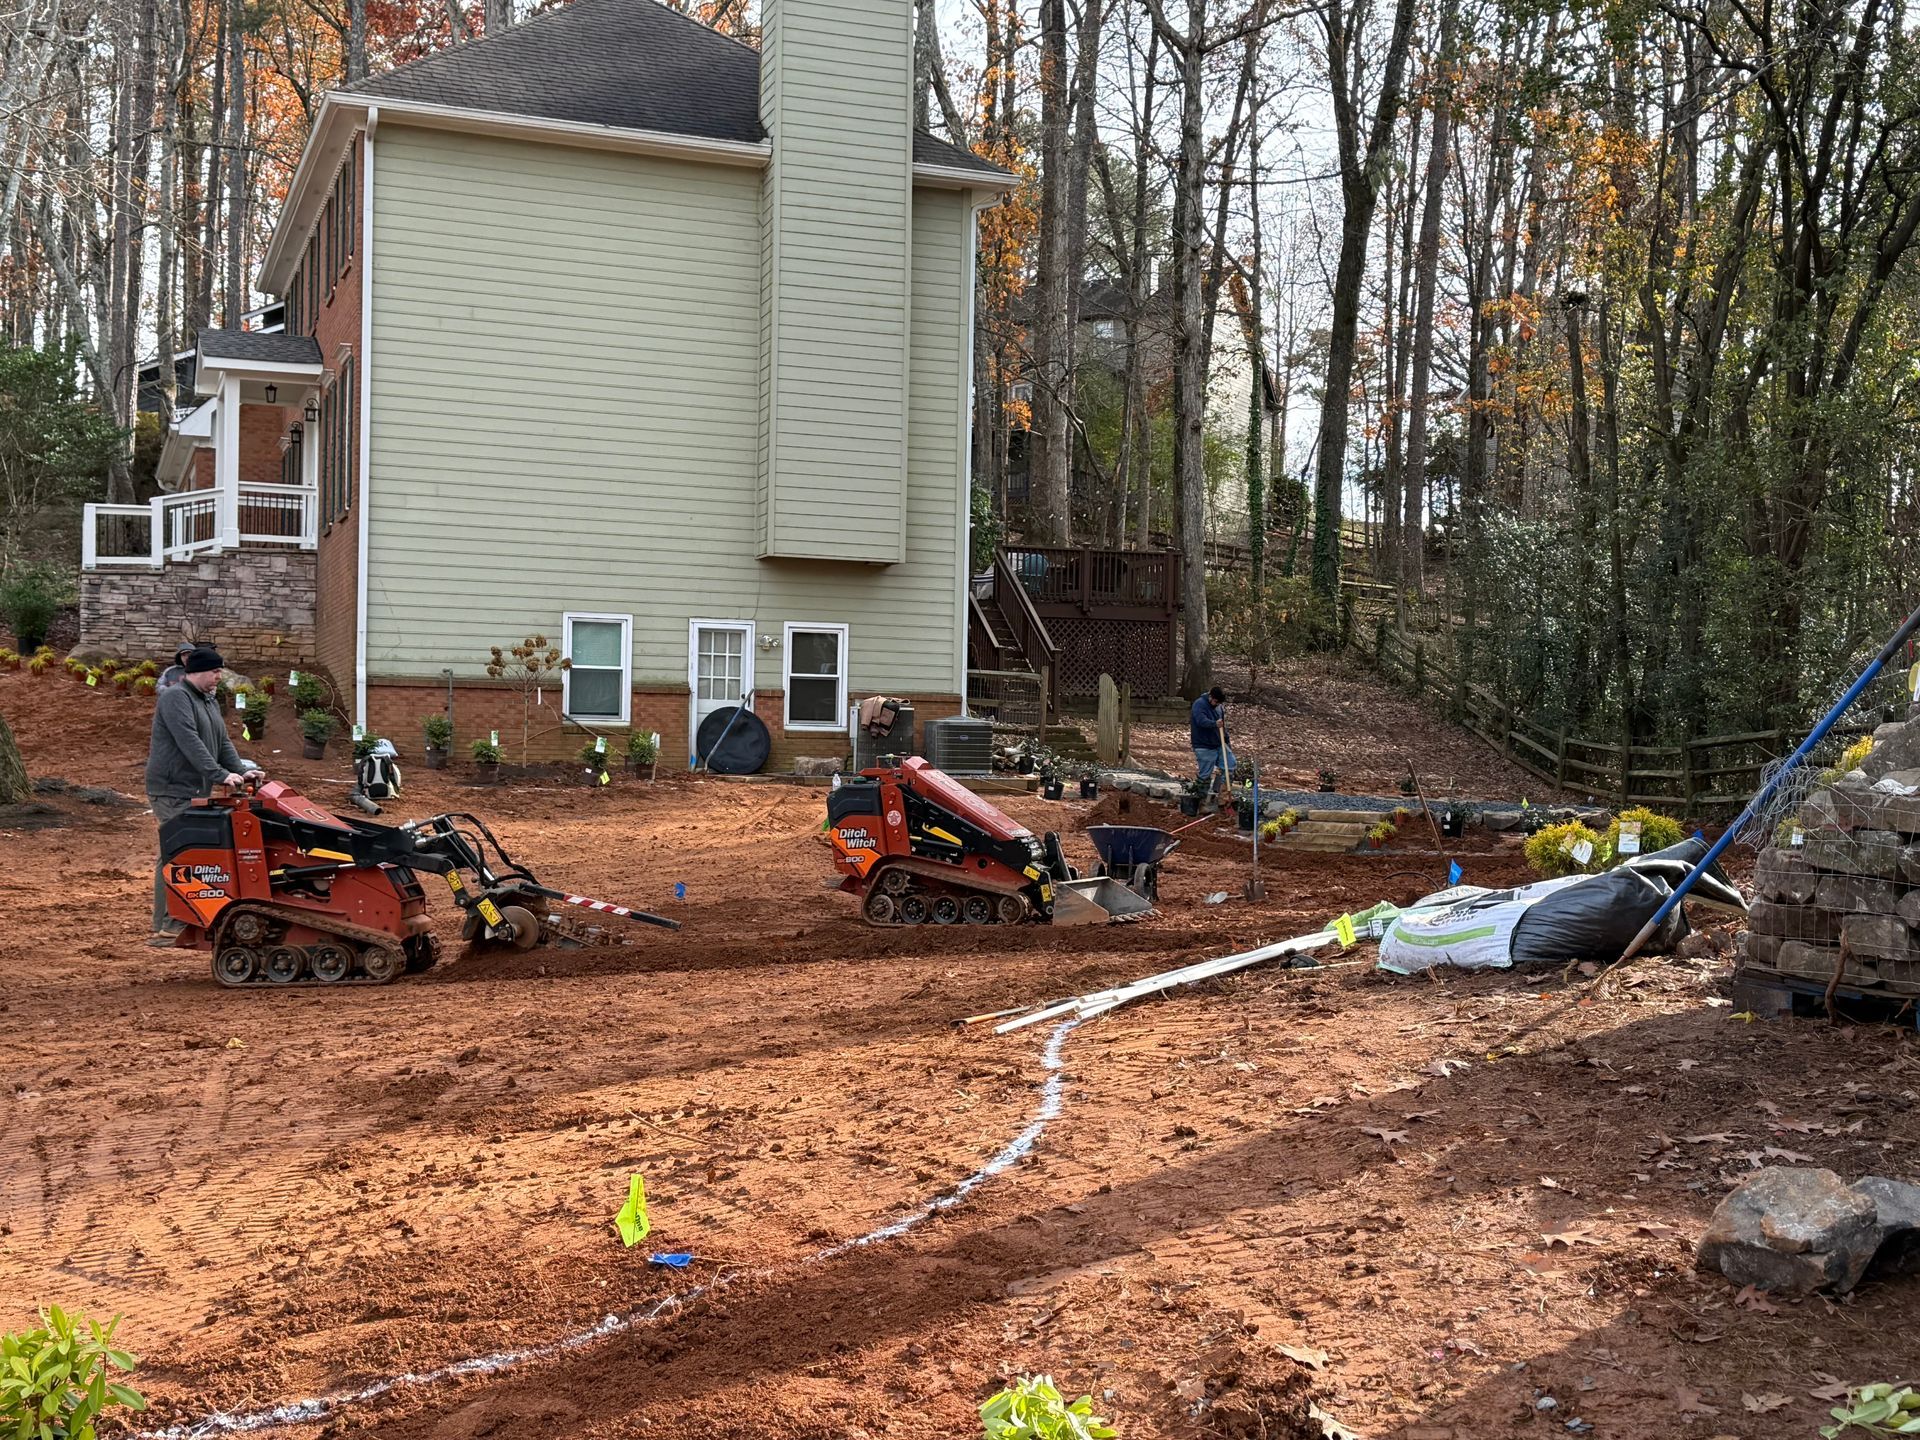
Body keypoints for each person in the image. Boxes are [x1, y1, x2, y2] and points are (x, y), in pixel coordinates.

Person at [146, 647, 263, 945]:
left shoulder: (208, 701)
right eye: (214, 672)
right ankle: (169, 924)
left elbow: (222, 742)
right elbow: (190, 742)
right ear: (197, 671)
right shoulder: (175, 698)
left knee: (180, 852)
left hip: (194, 788)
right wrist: (221, 776)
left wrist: (240, 771)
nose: (218, 677)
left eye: (219, 671)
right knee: (177, 853)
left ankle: (174, 920)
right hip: (170, 789)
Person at [1190, 684, 1233, 803]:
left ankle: (1222, 796)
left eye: (1219, 703)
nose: (1216, 704)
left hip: (1219, 743)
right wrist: (1214, 724)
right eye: (1215, 701)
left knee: (1230, 765)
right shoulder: (1199, 704)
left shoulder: (1219, 708)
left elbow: (1223, 726)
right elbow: (1200, 721)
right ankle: (1201, 800)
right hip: (1203, 745)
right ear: (1210, 697)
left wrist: (1227, 741)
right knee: (1205, 774)